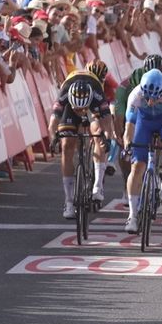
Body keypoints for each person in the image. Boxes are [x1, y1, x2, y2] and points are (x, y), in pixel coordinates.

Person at [122, 68, 162, 232]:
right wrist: (128, 145)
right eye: (147, 98)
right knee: (136, 168)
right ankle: (132, 216)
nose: (150, 102)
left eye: (155, 99)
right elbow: (129, 128)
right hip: (144, 123)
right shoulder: (135, 95)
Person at [49, 79, 111, 220]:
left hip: (92, 109)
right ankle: (69, 201)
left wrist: (107, 139)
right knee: (66, 145)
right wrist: (53, 139)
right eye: (78, 109)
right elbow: (53, 124)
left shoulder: (97, 96)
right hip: (69, 110)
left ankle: (98, 185)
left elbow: (108, 124)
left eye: (82, 109)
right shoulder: (64, 95)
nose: (80, 112)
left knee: (99, 134)